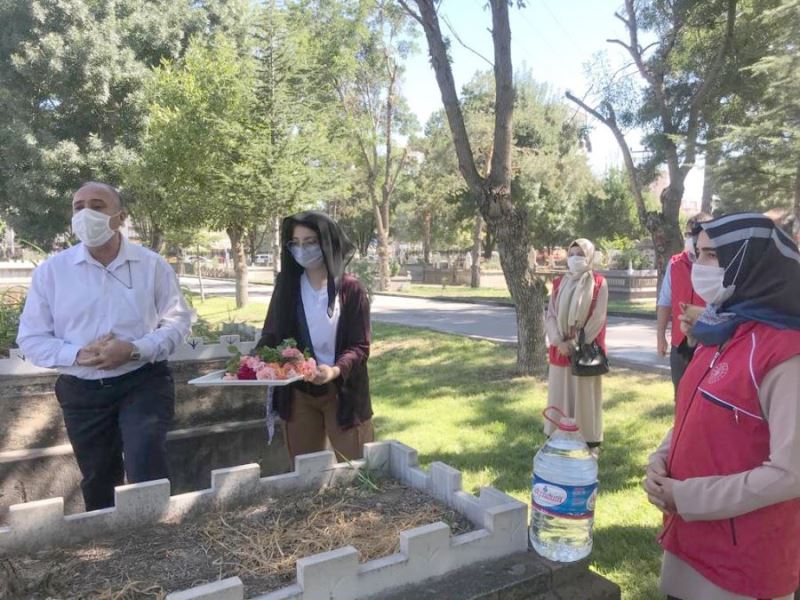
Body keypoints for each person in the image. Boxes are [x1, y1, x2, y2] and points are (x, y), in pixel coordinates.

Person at [644, 213, 800, 600]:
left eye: (712, 255)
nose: (699, 267)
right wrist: (660, 460)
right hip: (689, 547)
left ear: (751, 261)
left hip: (742, 567)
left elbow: (790, 473)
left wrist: (687, 497)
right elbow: (692, 412)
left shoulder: (785, 355)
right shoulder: (720, 331)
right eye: (697, 254)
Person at [16, 182, 192, 512]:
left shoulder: (151, 265)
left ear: (119, 217)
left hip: (142, 382)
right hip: (81, 391)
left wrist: (135, 349)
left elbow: (178, 321)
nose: (85, 214)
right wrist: (78, 354)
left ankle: (157, 543)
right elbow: (31, 337)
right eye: (78, 207)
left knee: (146, 466)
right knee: (98, 479)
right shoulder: (53, 272)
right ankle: (107, 552)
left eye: (97, 206)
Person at [256, 211, 373, 462]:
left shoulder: (351, 289)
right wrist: (248, 364)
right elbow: (271, 334)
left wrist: (333, 371)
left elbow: (360, 346)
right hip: (298, 393)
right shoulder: (287, 287)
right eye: (295, 243)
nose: (302, 249)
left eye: (310, 242)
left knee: (356, 470)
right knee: (304, 475)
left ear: (327, 243)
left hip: (343, 392)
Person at [544, 238, 609, 452]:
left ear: (589, 256)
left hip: (585, 352)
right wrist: (558, 341)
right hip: (560, 350)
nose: (575, 259)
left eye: (579, 254)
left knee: (584, 398)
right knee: (560, 396)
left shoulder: (599, 283)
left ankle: (586, 443)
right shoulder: (558, 284)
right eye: (571, 254)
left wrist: (575, 343)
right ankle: (558, 440)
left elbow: (598, 318)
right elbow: (551, 315)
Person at [656, 212, 711, 395]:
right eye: (688, 234)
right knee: (680, 394)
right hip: (680, 344)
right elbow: (664, 302)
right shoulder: (675, 263)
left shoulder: (718, 264)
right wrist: (660, 336)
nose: (691, 239)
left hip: (709, 342)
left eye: (695, 234)